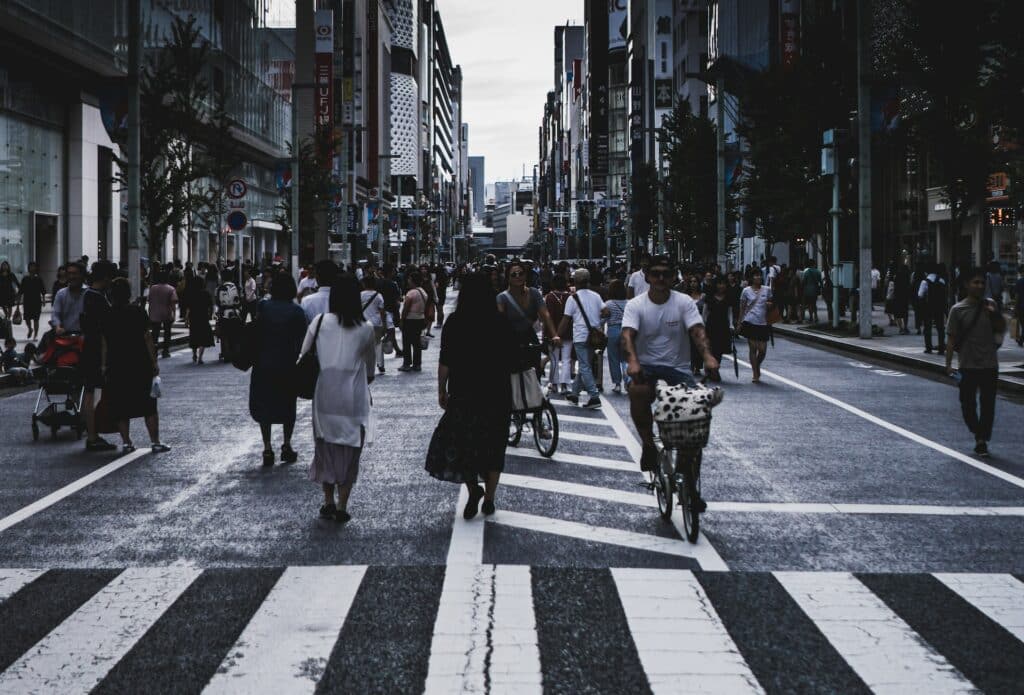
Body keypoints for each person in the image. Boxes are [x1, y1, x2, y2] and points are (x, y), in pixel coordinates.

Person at [426, 272, 516, 518]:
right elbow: (511, 358)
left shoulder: (455, 322)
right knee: (494, 443)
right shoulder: (500, 321)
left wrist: (441, 389)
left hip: (464, 391)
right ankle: (490, 497)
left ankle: (473, 488)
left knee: (464, 442)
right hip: (497, 391)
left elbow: (446, 359)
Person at [621, 255, 718, 473]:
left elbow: (697, 331)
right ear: (647, 277)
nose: (661, 278)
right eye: (655, 274)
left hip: (678, 368)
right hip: (645, 366)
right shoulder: (636, 305)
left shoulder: (683, 302)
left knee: (695, 413)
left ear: (674, 277)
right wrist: (633, 362)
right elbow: (627, 335)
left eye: (666, 274)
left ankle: (690, 482)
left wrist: (708, 357)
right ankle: (647, 444)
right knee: (637, 390)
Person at [298, 275, 377, 522]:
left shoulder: (320, 322)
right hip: (353, 396)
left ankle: (328, 500)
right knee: (350, 449)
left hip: (325, 394)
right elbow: (371, 369)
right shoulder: (366, 328)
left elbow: (303, 354)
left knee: (326, 446)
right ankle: (343, 505)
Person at [102, 278, 170, 454]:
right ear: (128, 293)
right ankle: (155, 442)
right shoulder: (138, 312)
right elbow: (147, 337)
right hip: (140, 363)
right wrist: (154, 361)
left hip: (116, 364)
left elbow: (104, 343)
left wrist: (103, 365)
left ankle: (126, 442)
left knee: (121, 406)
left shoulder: (108, 315)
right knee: (149, 405)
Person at [945, 267, 1006, 458]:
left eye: (982, 282)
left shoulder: (991, 306)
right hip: (967, 365)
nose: (980, 286)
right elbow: (951, 340)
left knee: (988, 405)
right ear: (966, 285)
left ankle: (981, 439)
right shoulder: (957, 309)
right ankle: (977, 431)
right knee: (967, 404)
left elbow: (1000, 330)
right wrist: (948, 365)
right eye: (975, 282)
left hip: (989, 365)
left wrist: (994, 313)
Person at [249, 274, 307, 466]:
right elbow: (302, 340)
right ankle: (287, 444)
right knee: (288, 405)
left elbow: (256, 330)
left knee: (265, 405)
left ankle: (267, 448)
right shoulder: (297, 311)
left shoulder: (263, 307)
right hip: (287, 364)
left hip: (263, 363)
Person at [497, 260, 561, 374]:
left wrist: (555, 335)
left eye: (521, 273)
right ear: (508, 278)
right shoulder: (502, 298)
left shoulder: (534, 293)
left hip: (530, 337)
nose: (518, 277)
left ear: (525, 275)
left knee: (535, 372)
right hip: (510, 339)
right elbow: (500, 322)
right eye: (513, 274)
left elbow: (545, 314)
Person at [80, 261, 116, 452]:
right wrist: (104, 362)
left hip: (88, 349)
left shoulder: (88, 295)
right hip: (97, 352)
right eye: (110, 277)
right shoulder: (99, 300)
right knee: (94, 394)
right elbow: (104, 332)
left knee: (89, 393)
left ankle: (92, 434)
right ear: (105, 277)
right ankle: (93, 435)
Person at [558, 268, 605, 409]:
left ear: (575, 281)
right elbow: (606, 311)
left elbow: (566, 320)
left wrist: (557, 335)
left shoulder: (573, 298)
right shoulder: (596, 296)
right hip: (594, 337)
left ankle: (594, 396)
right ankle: (574, 394)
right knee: (586, 366)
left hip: (580, 336)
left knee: (584, 366)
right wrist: (598, 324)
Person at [738, 268, 772, 383]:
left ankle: (757, 365)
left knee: (762, 350)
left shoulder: (767, 290)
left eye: (759, 275)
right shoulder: (746, 291)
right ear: (751, 278)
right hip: (750, 322)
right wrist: (739, 323)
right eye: (755, 276)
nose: (758, 278)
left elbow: (772, 303)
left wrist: (769, 304)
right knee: (753, 348)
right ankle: (755, 373)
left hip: (763, 323)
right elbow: (742, 308)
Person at [544, 275, 572, 394]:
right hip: (568, 331)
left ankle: (554, 384)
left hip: (552, 332)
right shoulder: (570, 297)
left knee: (554, 358)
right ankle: (565, 385)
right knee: (566, 359)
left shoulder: (549, 297)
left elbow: (545, 316)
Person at [601, 279, 629, 393]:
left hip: (613, 331)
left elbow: (602, 320)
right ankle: (628, 381)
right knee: (626, 358)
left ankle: (617, 384)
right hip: (627, 331)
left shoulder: (608, 304)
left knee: (613, 359)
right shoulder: (629, 303)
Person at [398, 271, 429, 372]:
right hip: (420, 319)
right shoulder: (423, 292)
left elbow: (406, 308)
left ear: (413, 280)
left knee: (406, 342)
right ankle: (417, 364)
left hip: (410, 320)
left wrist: (402, 320)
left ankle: (406, 364)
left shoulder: (411, 293)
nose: (408, 281)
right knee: (416, 343)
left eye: (409, 279)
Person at [703, 277, 735, 367]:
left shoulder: (728, 297)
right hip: (711, 325)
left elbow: (730, 312)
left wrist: (731, 324)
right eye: (719, 283)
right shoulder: (709, 296)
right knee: (710, 347)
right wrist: (702, 324)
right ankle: (711, 367)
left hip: (723, 325)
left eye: (723, 283)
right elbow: (705, 312)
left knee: (719, 349)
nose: (721, 286)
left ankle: (715, 367)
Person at [184, 276, 215, 364]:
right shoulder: (206, 293)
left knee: (194, 336)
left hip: (193, 317)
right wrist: (211, 314)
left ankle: (194, 354)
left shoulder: (191, 294)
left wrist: (186, 319)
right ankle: (200, 358)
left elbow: (188, 308)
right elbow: (210, 306)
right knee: (203, 337)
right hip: (203, 317)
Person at [360, 274, 387, 374]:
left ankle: (365, 364)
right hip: (376, 322)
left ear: (364, 284)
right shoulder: (378, 295)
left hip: (364, 322)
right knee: (378, 343)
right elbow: (382, 311)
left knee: (364, 344)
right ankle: (380, 364)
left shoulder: (360, 295)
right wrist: (384, 325)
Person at [919, 263, 949, 354]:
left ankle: (928, 348)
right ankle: (941, 348)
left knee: (927, 328)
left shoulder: (925, 281)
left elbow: (920, 295)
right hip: (939, 307)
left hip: (928, 307)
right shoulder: (942, 281)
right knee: (940, 328)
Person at [50, 262, 87, 335]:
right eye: (69, 273)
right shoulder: (61, 294)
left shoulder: (89, 293)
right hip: (65, 335)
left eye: (75, 273)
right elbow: (55, 314)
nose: (72, 276)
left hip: (85, 336)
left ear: (81, 275)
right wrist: (57, 326)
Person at [147, 272, 177, 359]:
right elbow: (173, 303)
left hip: (154, 313)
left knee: (155, 333)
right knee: (167, 333)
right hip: (166, 314)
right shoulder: (171, 289)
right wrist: (174, 314)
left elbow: (149, 300)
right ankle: (165, 351)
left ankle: (154, 351)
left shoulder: (153, 288)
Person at [19, 262, 46, 340]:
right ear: (28, 268)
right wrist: (18, 304)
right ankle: (30, 329)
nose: (32, 268)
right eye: (31, 267)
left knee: (36, 319)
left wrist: (43, 300)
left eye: (34, 267)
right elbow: (21, 291)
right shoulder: (25, 279)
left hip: (37, 301)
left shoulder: (39, 279)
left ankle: (35, 335)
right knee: (27, 318)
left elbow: (43, 290)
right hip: (27, 301)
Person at [1015, 265, 1024, 347]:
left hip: (1021, 306)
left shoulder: (1019, 282)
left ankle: (1021, 339)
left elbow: (1017, 296)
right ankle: (1021, 338)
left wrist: (1015, 307)